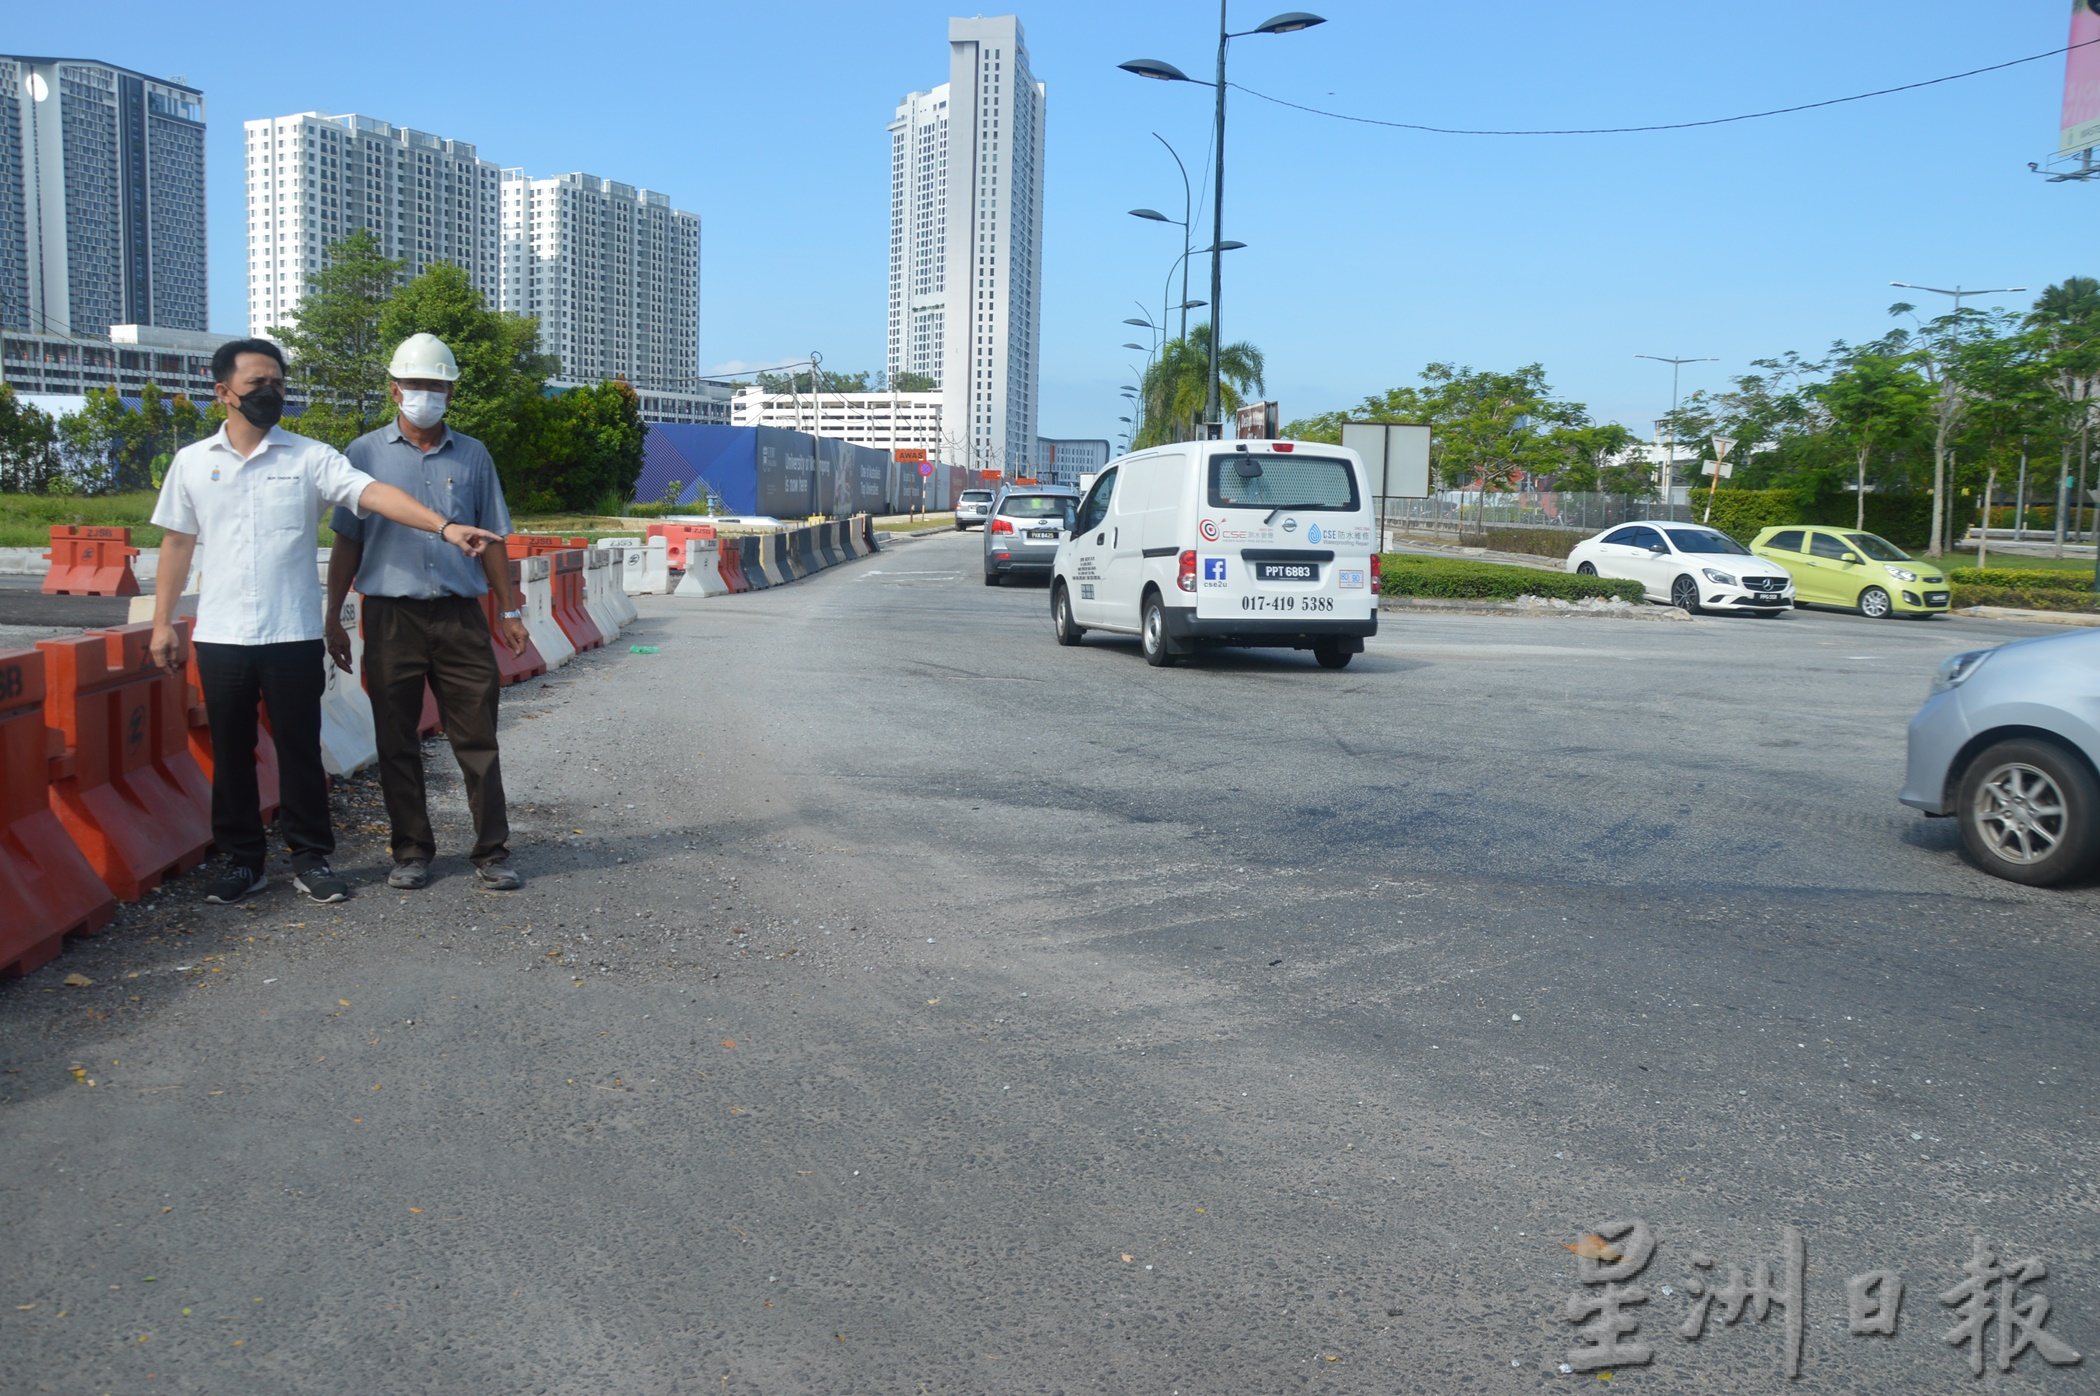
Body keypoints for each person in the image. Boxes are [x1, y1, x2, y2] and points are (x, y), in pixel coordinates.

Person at [150, 338, 503, 905]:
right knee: (232, 752)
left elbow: (375, 494)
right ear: (223, 394)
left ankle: (311, 858)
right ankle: (243, 862)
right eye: (256, 385)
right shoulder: (193, 462)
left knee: (299, 750)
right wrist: (162, 622)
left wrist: (443, 526)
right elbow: (175, 542)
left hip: (291, 633)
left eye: (278, 384)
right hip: (220, 635)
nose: (270, 394)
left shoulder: (310, 458)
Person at [324, 333, 528, 892]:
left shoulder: (474, 455)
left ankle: (492, 851)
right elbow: (348, 541)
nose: (426, 395)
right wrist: (333, 613)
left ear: (450, 391)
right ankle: (411, 850)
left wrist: (507, 610)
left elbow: (492, 539)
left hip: (461, 616)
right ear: (395, 390)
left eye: (436, 386)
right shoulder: (363, 454)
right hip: (390, 616)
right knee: (396, 737)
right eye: (416, 385)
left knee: (477, 737)